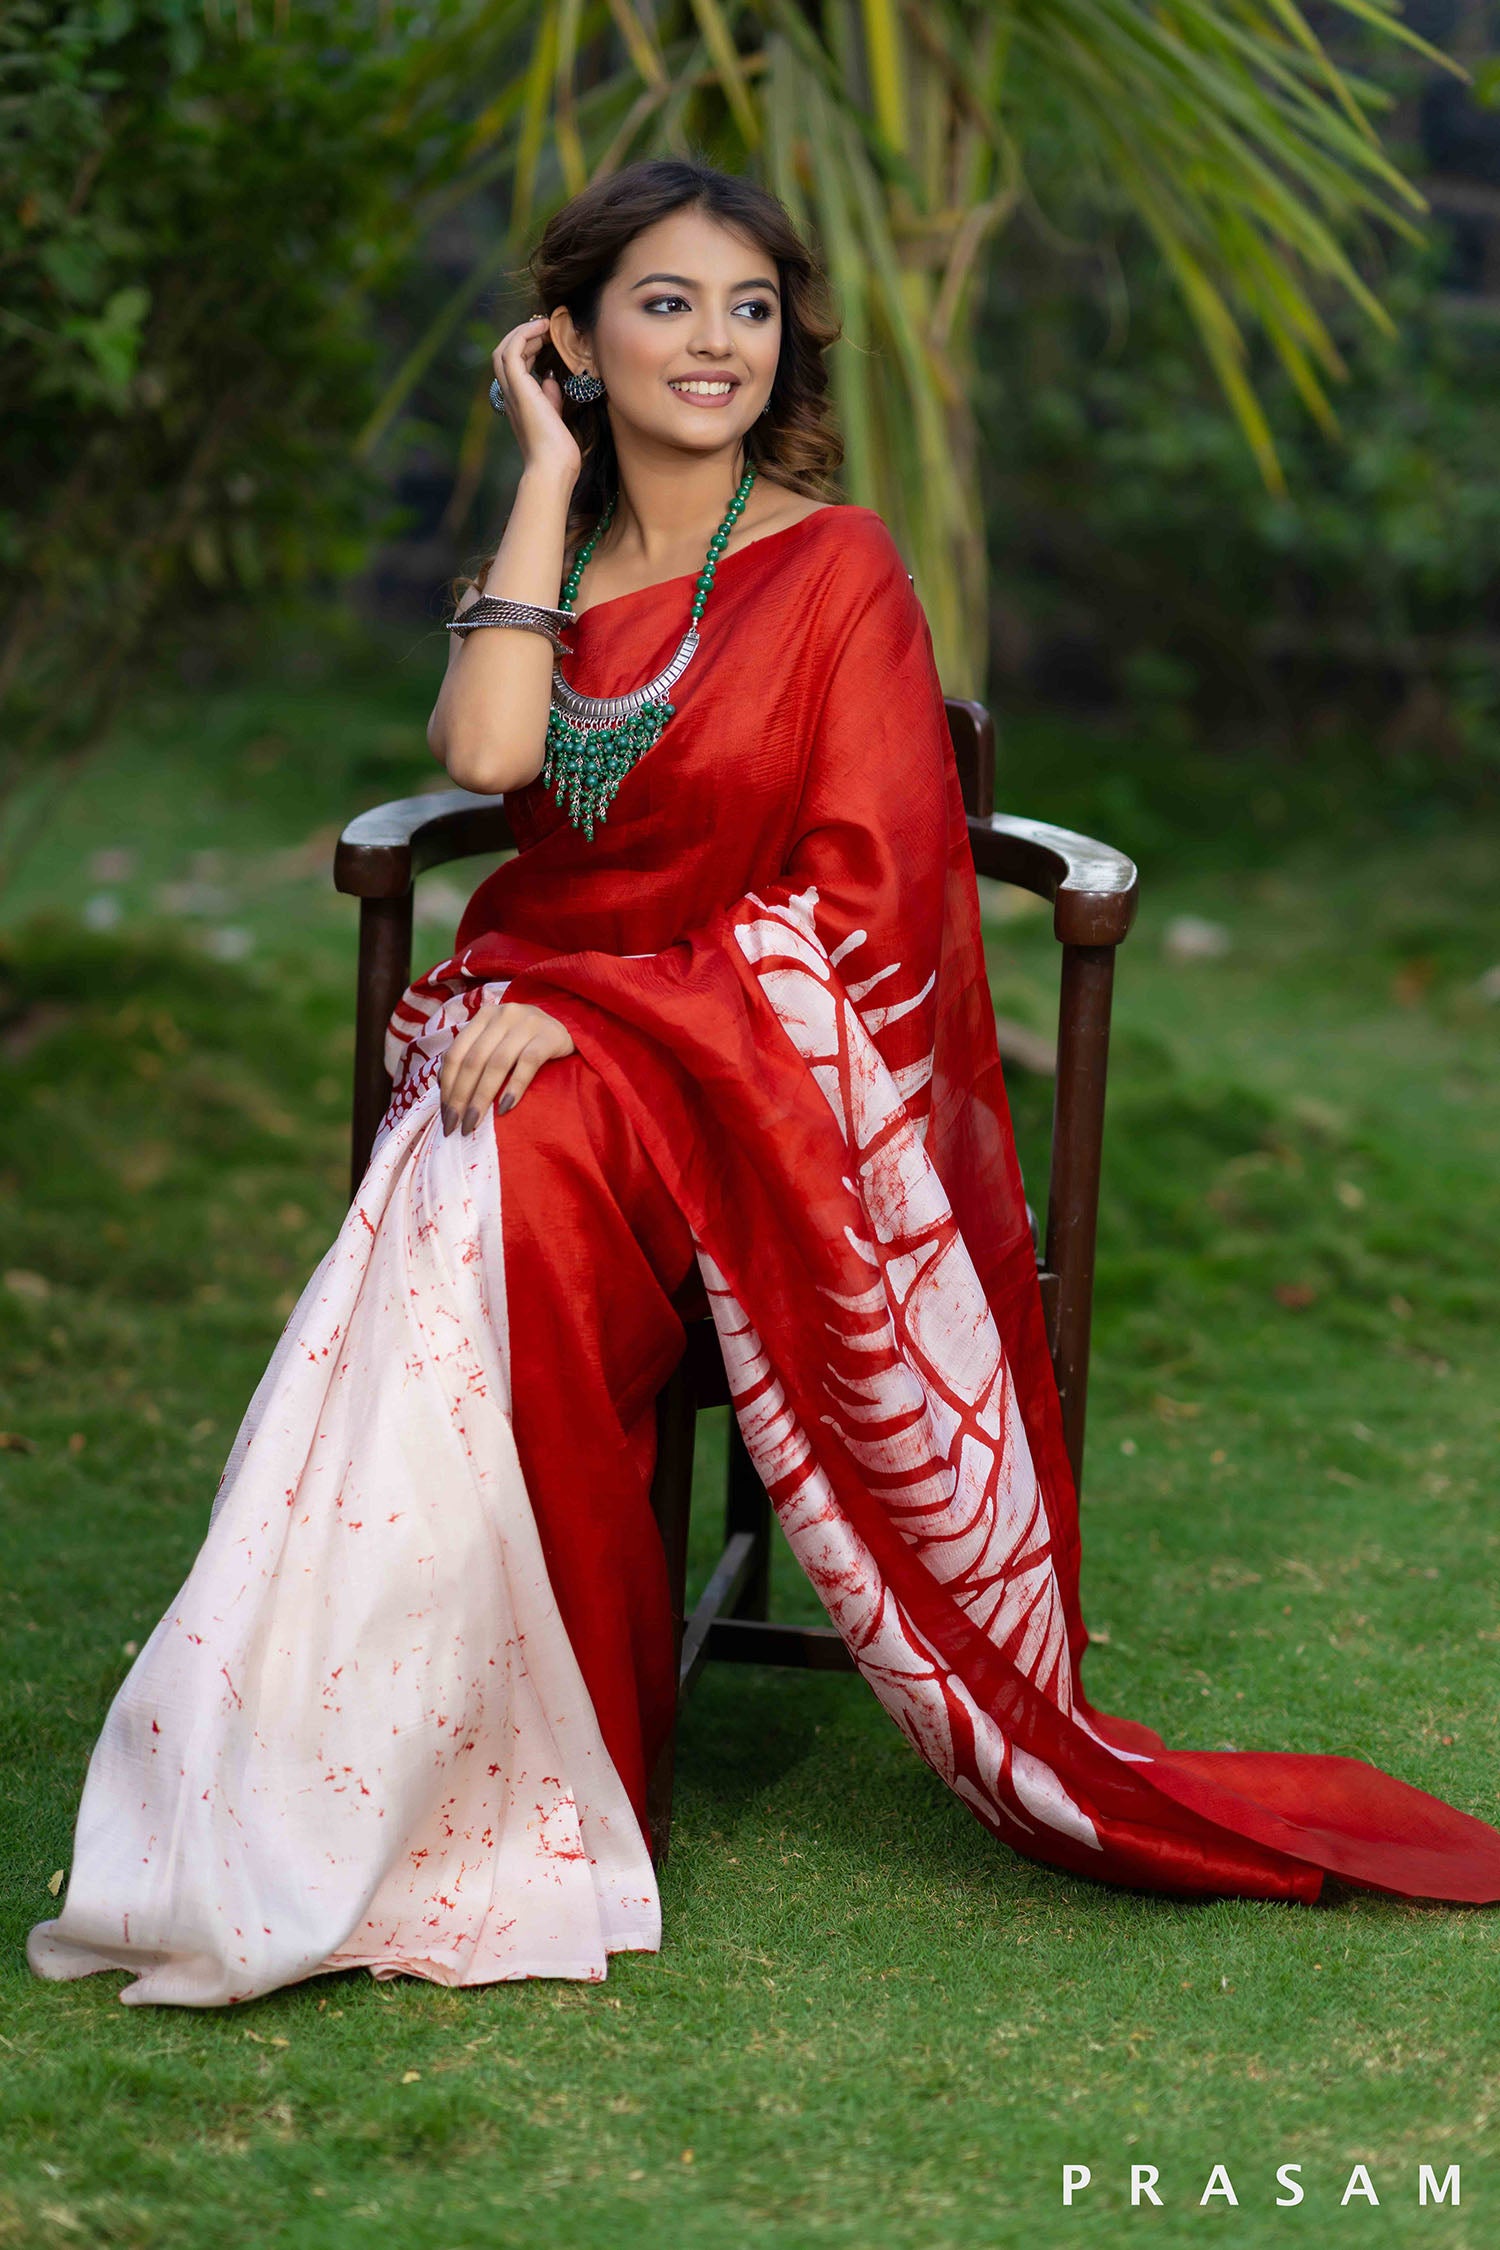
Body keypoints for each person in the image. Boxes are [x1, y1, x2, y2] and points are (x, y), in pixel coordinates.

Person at [27, 159, 1500, 2011]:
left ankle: (530, 1780)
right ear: (570, 337)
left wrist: (614, 1011)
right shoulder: (550, 557)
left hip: (730, 1069)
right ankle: (370, 1776)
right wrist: (543, 474)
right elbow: (488, 751)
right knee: (489, 1159)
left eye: (746, 305)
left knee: (515, 1153)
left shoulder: (837, 565)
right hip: (535, 1025)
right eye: (664, 303)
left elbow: (872, 898)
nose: (715, 340)